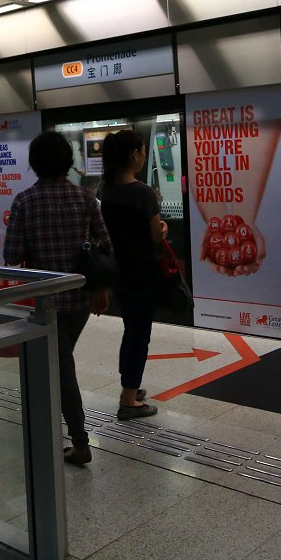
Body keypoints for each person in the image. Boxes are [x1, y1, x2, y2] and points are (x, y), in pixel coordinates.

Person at [4, 131, 111, 465]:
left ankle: (80, 443)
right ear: (69, 161)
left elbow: (11, 255)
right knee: (60, 364)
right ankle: (56, 430)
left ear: (35, 164)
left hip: (45, 303)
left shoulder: (24, 201)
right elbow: (106, 246)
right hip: (79, 300)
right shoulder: (85, 199)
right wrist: (99, 289)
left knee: (61, 369)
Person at [99, 129, 167, 420]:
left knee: (131, 328)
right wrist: (163, 229)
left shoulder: (104, 190)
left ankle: (130, 385)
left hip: (117, 273)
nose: (142, 156)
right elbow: (155, 235)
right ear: (134, 155)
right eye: (141, 151)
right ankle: (129, 399)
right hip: (142, 272)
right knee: (139, 333)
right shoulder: (143, 193)